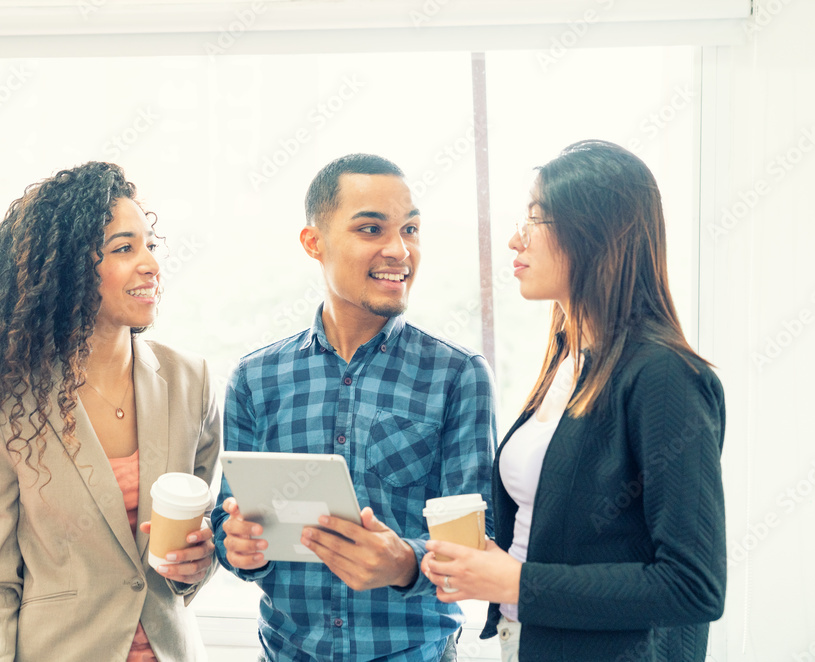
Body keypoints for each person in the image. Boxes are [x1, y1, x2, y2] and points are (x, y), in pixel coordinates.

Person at [420, 140, 726, 662]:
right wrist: (485, 568)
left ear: (595, 236)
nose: (515, 239)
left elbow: (692, 585)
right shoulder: (569, 357)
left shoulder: (663, 376)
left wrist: (518, 581)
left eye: (535, 221)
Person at [0, 162, 221, 661]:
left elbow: (201, 533)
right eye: (124, 248)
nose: (150, 264)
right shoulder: (6, 404)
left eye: (150, 245)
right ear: (69, 270)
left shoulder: (192, 381)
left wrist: (200, 562)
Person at [211, 153, 497, 661]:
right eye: (371, 229)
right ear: (313, 242)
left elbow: (478, 544)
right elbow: (230, 524)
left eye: (410, 229)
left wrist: (405, 563)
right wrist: (238, 548)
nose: (399, 250)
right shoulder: (256, 378)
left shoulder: (457, 375)